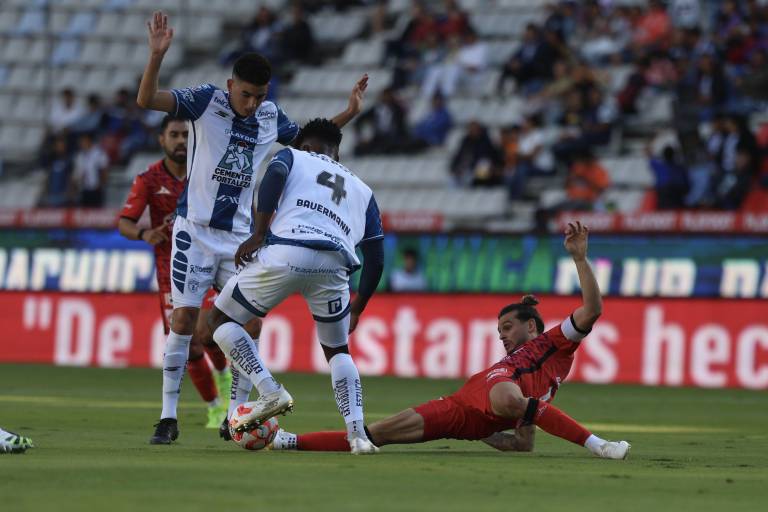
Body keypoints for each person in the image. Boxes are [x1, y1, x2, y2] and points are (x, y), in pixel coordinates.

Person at [136, 12, 367, 445]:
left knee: (247, 324)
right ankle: (167, 417)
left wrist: (348, 114)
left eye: (260, 96)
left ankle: (235, 414)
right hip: (196, 231)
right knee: (184, 319)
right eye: (246, 95)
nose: (253, 104)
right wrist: (156, 56)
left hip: (241, 237)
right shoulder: (205, 101)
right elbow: (147, 99)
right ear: (230, 86)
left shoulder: (270, 116)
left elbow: (311, 144)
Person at [271, 222, 630, 460]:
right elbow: (514, 409)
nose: (502, 335)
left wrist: (580, 259)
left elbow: (523, 443)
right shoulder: (524, 375)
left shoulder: (551, 343)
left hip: (472, 419)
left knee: (377, 435)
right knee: (370, 435)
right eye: (499, 329)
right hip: (466, 402)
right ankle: (289, 440)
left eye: (507, 327)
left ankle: (600, 447)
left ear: (532, 328)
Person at [208, 118, 385, 455]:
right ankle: (358, 435)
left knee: (219, 323)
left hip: (287, 251)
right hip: (336, 265)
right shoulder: (364, 191)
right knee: (337, 352)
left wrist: (258, 233)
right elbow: (376, 257)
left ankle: (269, 390)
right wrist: (358, 307)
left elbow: (273, 177)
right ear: (337, 151)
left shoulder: (292, 156)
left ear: (305, 145)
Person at [118, 115, 236, 434]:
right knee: (191, 346)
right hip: (169, 270)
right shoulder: (148, 179)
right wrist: (144, 234)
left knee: (207, 332)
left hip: (208, 260)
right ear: (162, 140)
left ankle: (225, 379)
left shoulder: (205, 173)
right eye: (174, 135)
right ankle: (214, 407)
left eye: (186, 134)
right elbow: (124, 221)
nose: (181, 140)